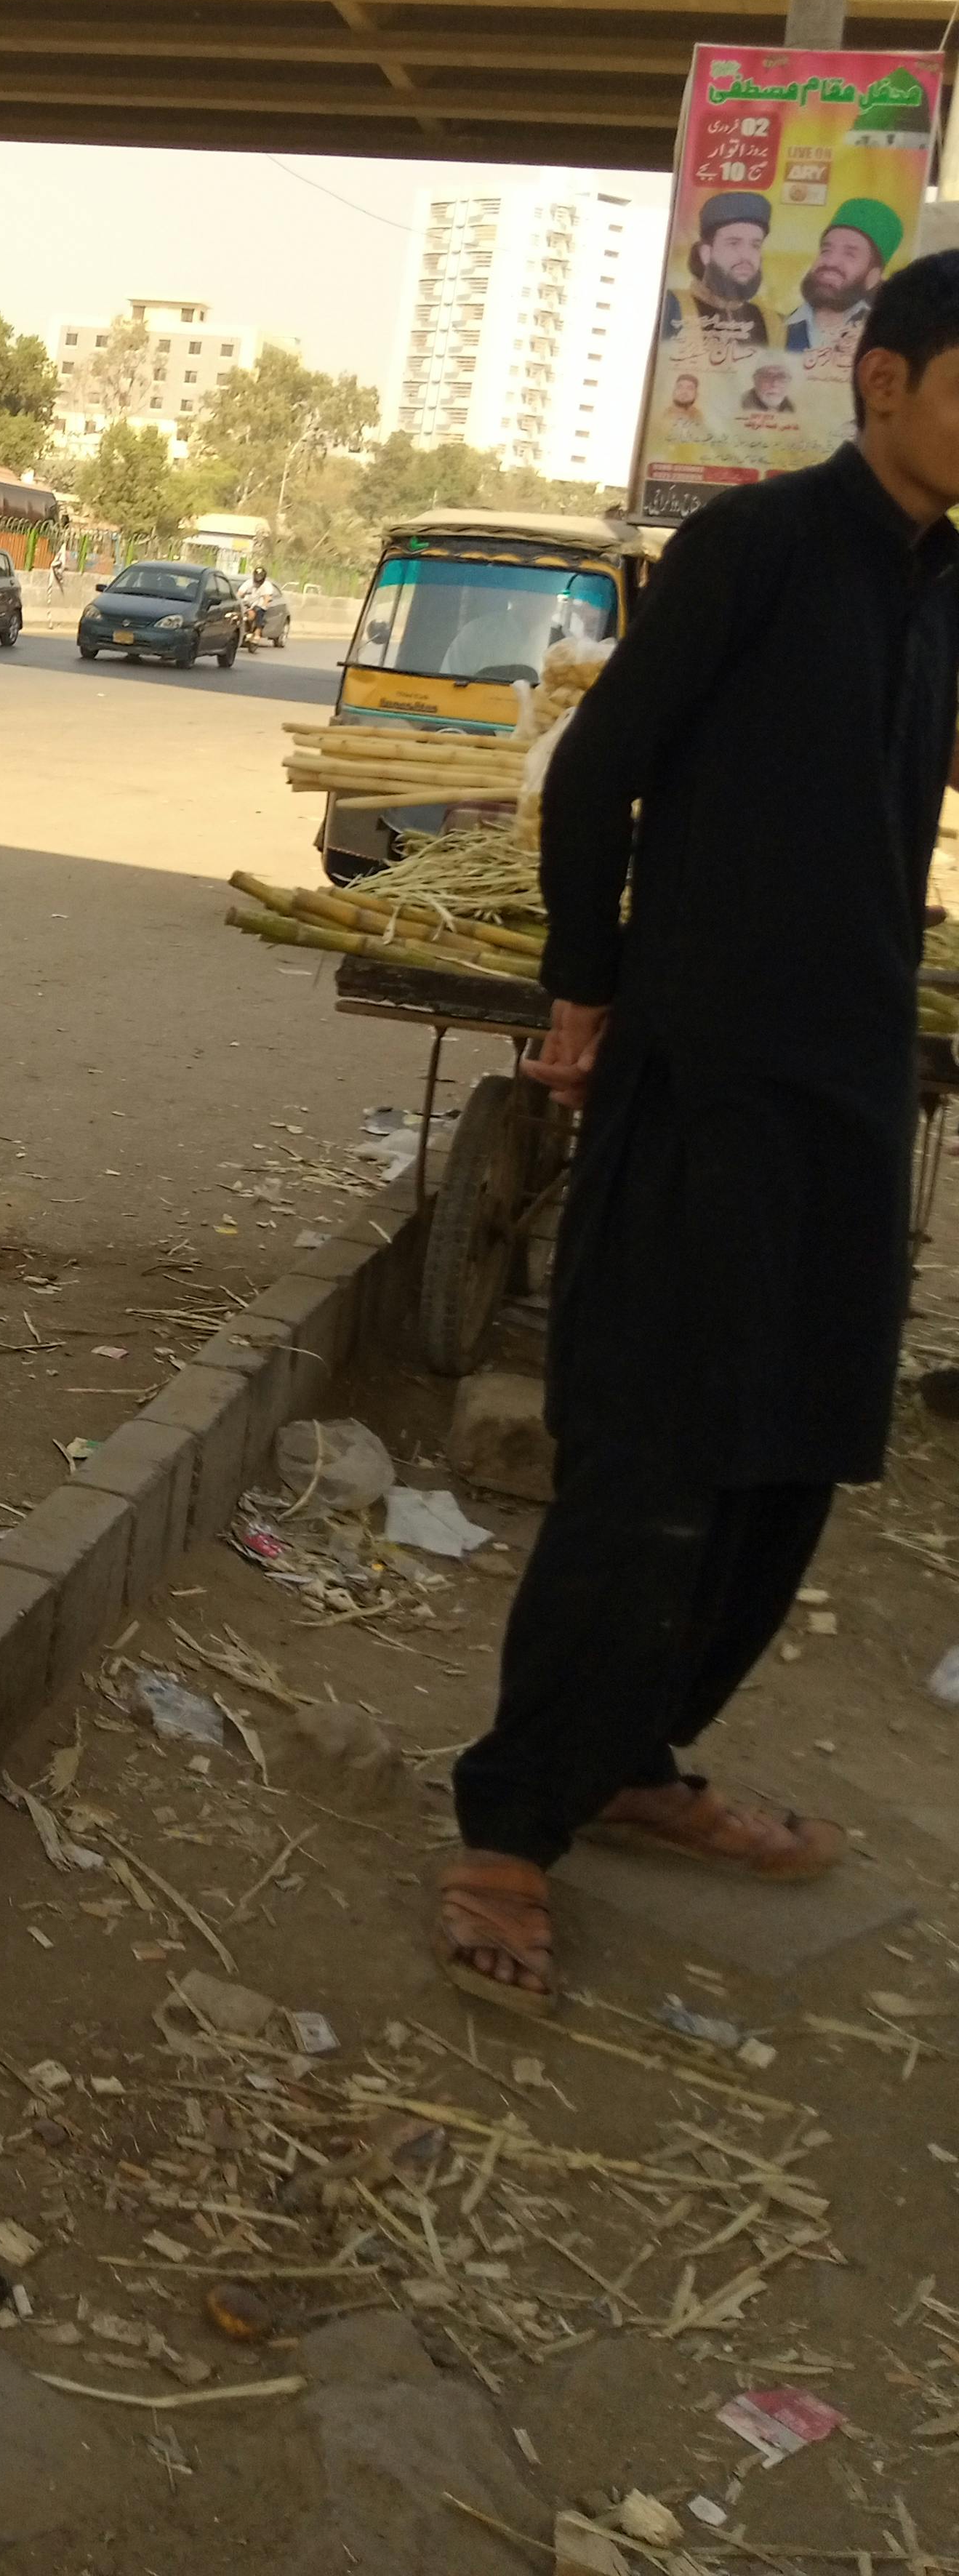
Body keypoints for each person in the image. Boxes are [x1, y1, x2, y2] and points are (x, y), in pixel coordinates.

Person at [437, 249, 959, 2010]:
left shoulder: (940, 583)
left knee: (790, 1457)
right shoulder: (756, 547)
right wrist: (584, 992)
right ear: (881, 381)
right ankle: (510, 1825)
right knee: (650, 1459)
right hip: (702, 1078)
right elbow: (598, 776)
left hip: (848, 1091)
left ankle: (636, 1759)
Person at [784, 197, 902, 375]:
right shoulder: (775, 328)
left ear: (873, 276)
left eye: (850, 254)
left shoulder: (884, 338)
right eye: (826, 250)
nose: (830, 262)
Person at [659, 194, 772, 363]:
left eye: (755, 245)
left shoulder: (772, 324)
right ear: (706, 254)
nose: (746, 256)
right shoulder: (670, 308)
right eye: (734, 243)